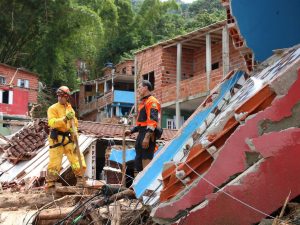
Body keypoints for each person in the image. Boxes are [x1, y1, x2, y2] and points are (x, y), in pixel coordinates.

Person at [45, 86, 86, 190]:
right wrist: (64, 119)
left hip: (67, 137)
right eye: (58, 96)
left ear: (66, 97)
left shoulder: (69, 108)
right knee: (55, 162)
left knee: (76, 158)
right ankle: (50, 184)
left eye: (62, 97)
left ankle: (80, 179)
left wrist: (74, 133)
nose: (59, 98)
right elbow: (51, 122)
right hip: (56, 138)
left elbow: (74, 123)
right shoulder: (53, 108)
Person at [125, 80, 161, 172]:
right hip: (141, 134)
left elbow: (153, 121)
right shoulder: (143, 103)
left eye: (140, 87)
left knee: (146, 162)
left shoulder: (152, 101)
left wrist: (147, 137)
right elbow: (142, 124)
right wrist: (132, 130)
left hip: (148, 134)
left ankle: (146, 185)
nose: (138, 90)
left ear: (145, 88)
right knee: (138, 163)